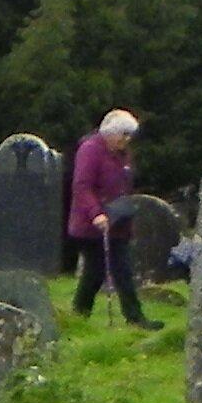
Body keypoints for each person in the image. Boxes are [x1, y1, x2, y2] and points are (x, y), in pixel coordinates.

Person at [66, 109, 153, 324]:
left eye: (129, 135)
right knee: (95, 272)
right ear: (111, 133)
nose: (127, 140)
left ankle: (134, 318)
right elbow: (82, 186)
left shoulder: (122, 153)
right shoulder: (90, 150)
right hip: (92, 225)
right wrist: (96, 213)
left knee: (122, 270)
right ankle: (79, 314)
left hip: (117, 223)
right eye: (124, 134)